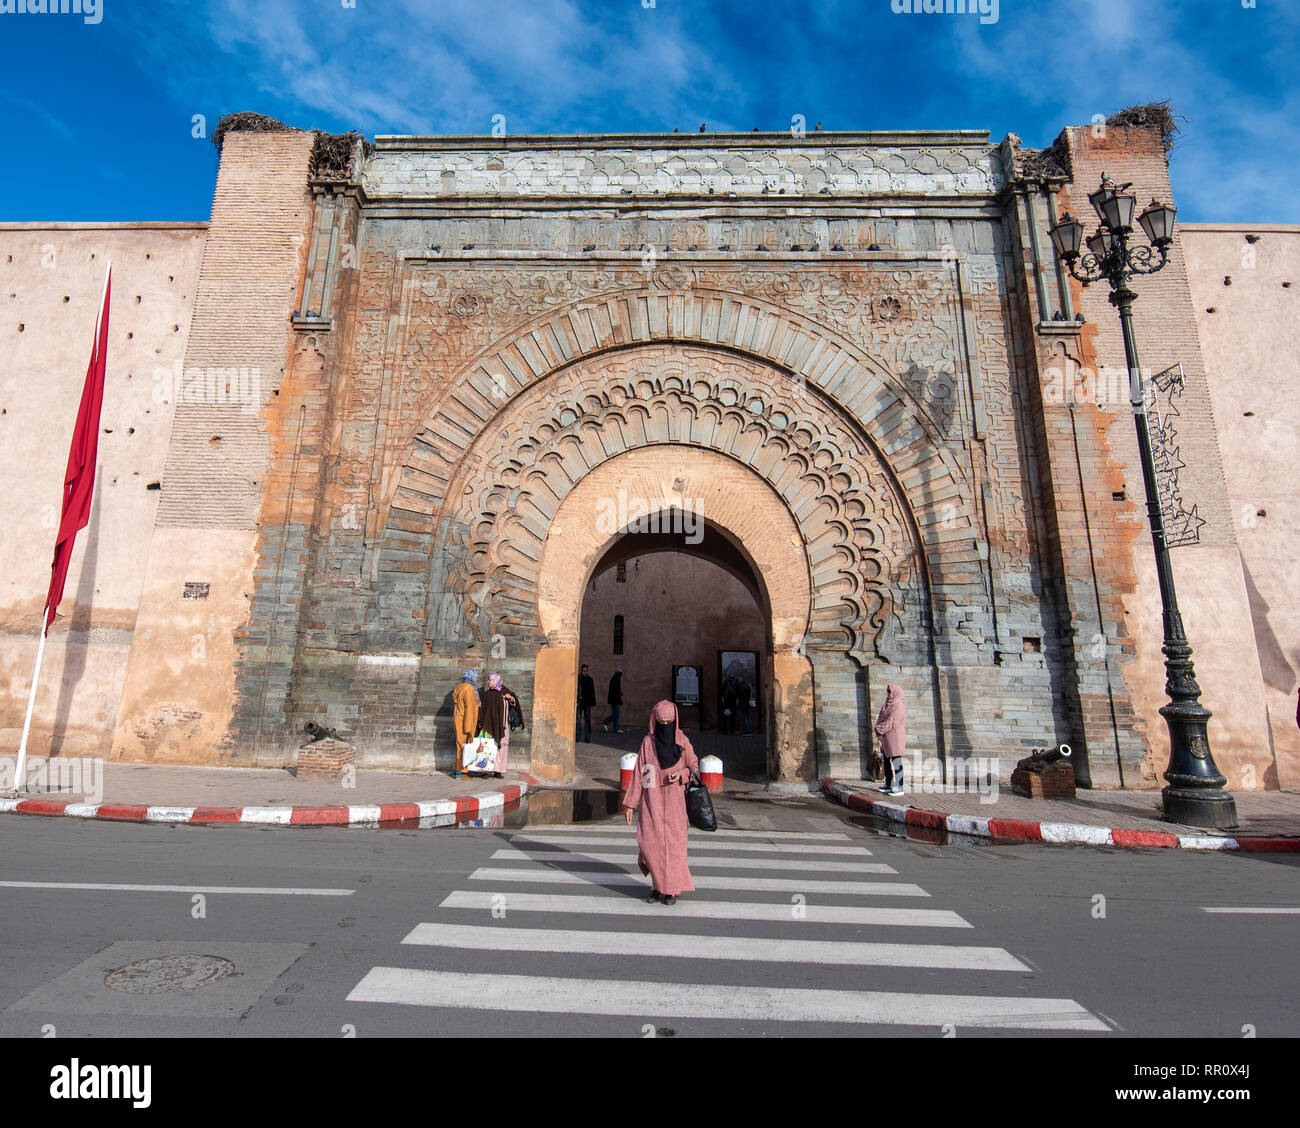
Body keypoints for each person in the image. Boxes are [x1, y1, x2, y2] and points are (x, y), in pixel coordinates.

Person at [622, 700, 700, 906]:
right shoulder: (648, 743)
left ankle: (671, 890)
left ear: (674, 722)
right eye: (661, 721)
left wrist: (682, 774)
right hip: (652, 803)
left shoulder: (682, 741)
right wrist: (631, 804)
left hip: (675, 805)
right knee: (650, 844)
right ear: (654, 722)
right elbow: (638, 774)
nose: (665, 725)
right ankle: (658, 886)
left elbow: (694, 766)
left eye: (669, 722)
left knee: (673, 848)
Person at [479, 673, 517, 778]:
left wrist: (511, 699)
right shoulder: (487, 695)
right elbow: (483, 710)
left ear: (496, 681)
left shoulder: (504, 693)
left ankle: (498, 770)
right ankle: (485, 771)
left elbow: (514, 703)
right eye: (488, 680)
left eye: (490, 680)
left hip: (503, 725)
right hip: (489, 725)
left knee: (502, 748)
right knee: (488, 746)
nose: (488, 682)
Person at [874, 683, 906, 796]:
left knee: (897, 762)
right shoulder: (886, 705)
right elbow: (880, 718)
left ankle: (899, 786)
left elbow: (892, 722)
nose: (888, 693)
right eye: (887, 691)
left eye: (890, 691)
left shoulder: (899, 706)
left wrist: (879, 729)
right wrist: (877, 728)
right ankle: (888, 784)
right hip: (886, 738)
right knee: (887, 762)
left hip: (895, 738)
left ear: (895, 692)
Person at [451, 668, 480, 777]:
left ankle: (457, 767)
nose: (476, 678)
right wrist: (469, 728)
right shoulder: (468, 689)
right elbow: (469, 709)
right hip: (465, 721)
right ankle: (461, 769)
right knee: (464, 746)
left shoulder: (461, 687)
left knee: (460, 744)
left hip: (459, 719)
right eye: (476, 676)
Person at [576, 664, 597, 742]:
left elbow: (592, 691)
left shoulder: (590, 679)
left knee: (587, 720)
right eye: (583, 671)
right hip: (579, 702)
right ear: (581, 671)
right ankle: (577, 737)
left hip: (587, 703)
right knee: (578, 720)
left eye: (586, 671)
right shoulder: (578, 679)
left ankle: (587, 737)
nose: (585, 672)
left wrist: (593, 702)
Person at [602, 667, 624, 733]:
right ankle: (605, 722)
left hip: (613, 699)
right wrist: (619, 698)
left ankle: (616, 728)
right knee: (616, 714)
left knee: (615, 714)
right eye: (620, 673)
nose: (621, 675)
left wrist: (620, 693)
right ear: (618, 673)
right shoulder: (616, 679)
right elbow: (615, 691)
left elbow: (615, 690)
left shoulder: (615, 679)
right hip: (615, 700)